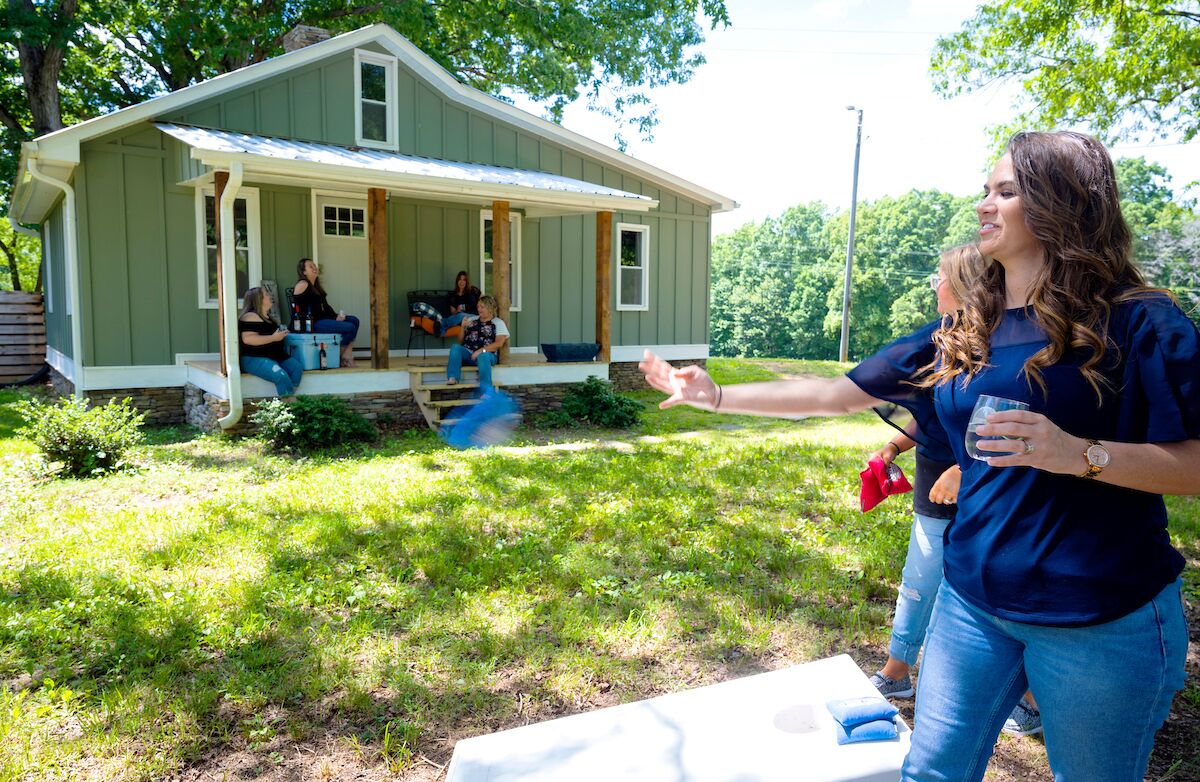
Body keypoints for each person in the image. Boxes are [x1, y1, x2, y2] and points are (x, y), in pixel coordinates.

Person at [641, 131, 1200, 781]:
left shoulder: (1142, 323)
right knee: (930, 772)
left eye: (1006, 191)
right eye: (985, 191)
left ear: (1062, 203)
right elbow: (831, 393)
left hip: (1101, 619)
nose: (984, 205)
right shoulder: (966, 331)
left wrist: (1079, 454)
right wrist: (714, 395)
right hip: (973, 603)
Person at [866, 245, 1043, 737]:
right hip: (933, 491)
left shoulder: (1009, 344)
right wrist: (892, 447)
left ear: (966, 285)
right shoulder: (942, 341)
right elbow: (931, 416)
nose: (933, 286)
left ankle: (1028, 698)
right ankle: (898, 673)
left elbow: (1017, 423)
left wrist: (967, 473)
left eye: (938, 278)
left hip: (993, 500)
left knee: (1002, 593)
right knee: (920, 583)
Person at [293, 258, 360, 368]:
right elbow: (297, 307)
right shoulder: (303, 284)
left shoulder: (316, 286)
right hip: (311, 323)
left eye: (314, 265)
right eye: (310, 266)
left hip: (322, 319)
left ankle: (346, 354)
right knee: (350, 327)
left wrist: (336, 317)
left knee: (354, 320)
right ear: (304, 272)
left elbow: (326, 307)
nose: (314, 267)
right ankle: (343, 357)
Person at [238, 286, 303, 396]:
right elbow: (248, 339)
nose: (270, 296)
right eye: (266, 294)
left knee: (296, 368)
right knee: (280, 376)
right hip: (255, 358)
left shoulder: (267, 317)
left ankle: (289, 396)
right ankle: (289, 405)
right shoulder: (250, 316)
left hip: (275, 356)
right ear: (258, 299)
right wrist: (274, 338)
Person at [446, 294, 507, 392]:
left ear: (490, 308)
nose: (479, 309)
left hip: (487, 355)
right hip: (469, 354)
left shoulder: (498, 322)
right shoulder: (471, 320)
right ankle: (453, 377)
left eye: (482, 307)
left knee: (483, 356)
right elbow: (460, 341)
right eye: (478, 306)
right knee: (455, 347)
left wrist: (480, 351)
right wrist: (462, 327)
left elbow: (499, 343)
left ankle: (486, 389)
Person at [440, 270, 480, 335]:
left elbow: (483, 300)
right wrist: (457, 311)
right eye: (460, 279)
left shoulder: (473, 290)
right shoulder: (453, 295)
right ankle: (442, 326)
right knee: (460, 315)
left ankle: (441, 324)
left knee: (462, 315)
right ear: (457, 281)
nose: (462, 282)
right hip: (459, 319)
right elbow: (453, 312)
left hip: (474, 316)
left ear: (467, 282)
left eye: (464, 280)